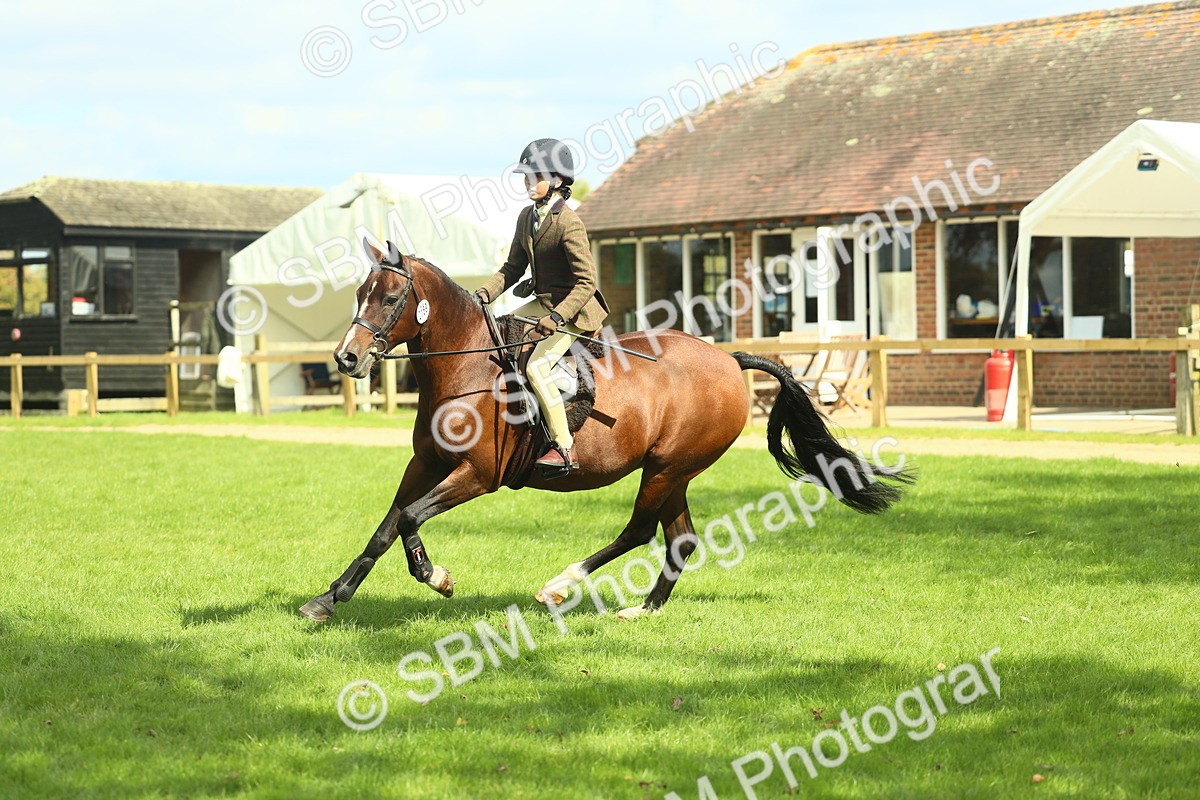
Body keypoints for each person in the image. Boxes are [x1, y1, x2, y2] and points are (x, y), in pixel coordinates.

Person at [474, 139, 608, 474]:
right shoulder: (526, 217)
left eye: (537, 176)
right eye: (526, 176)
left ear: (559, 181)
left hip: (574, 309)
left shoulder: (569, 223)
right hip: (544, 302)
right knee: (498, 333)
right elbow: (511, 269)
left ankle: (564, 447)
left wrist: (557, 317)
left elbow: (586, 282)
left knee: (537, 366)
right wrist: (483, 295)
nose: (529, 183)